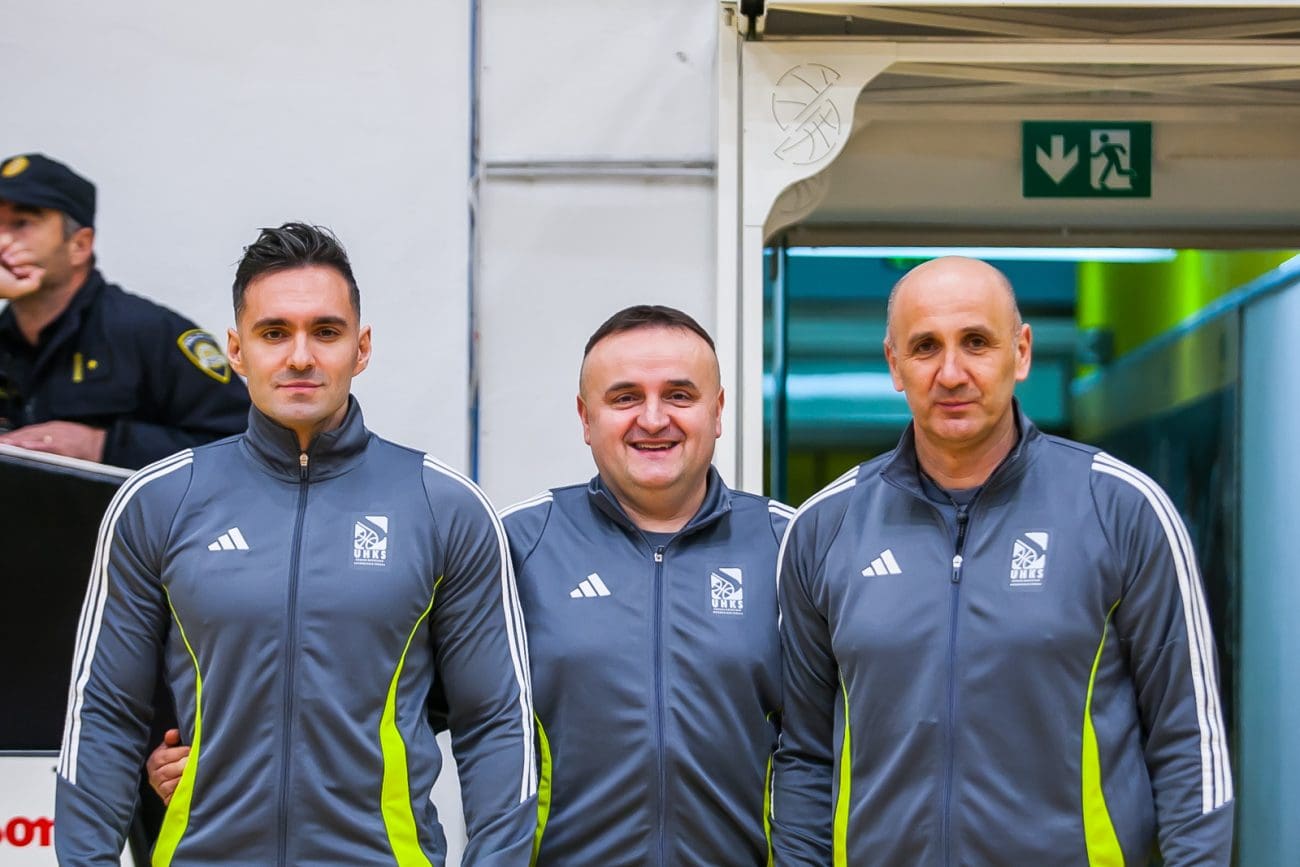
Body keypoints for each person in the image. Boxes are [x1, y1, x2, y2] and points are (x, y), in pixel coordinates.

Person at [150, 305, 792, 865]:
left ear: (717, 411)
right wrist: (228, 762)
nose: (653, 419)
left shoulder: (788, 548)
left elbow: (823, 747)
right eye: (624, 398)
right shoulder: (515, 545)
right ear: (585, 417)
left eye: (679, 395)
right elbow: (371, 705)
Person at [56, 222, 537, 865]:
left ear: (362, 348)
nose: (301, 357)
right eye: (274, 332)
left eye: (326, 332)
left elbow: (496, 722)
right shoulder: (158, 502)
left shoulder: (444, 507)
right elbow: (103, 715)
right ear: (237, 349)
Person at [771, 256, 1233, 865]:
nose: (951, 372)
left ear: (1021, 352)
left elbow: (1189, 743)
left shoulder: (1122, 509)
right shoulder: (824, 529)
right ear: (894, 364)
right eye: (925, 347)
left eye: (976, 342)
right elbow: (804, 757)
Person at [0, 152, 249, 469]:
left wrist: (103, 446)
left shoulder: (148, 332)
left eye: (22, 224)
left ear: (79, 245)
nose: (2, 239)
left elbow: (240, 446)